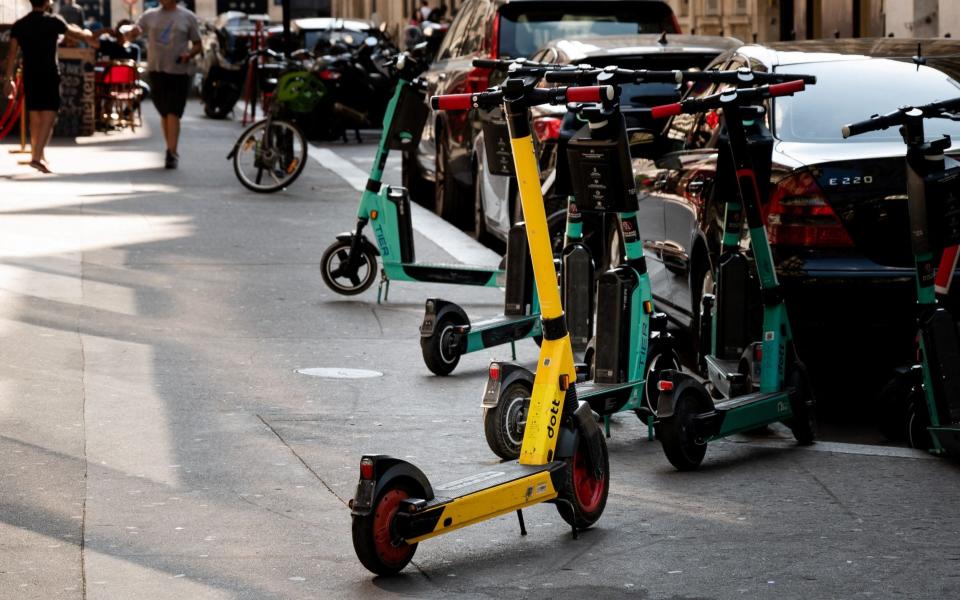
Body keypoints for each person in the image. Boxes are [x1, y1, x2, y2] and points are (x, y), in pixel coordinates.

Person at [2, 0, 98, 173]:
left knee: (35, 115)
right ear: (47, 2)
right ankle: (36, 158)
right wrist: (86, 34)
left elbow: (12, 55)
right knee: (49, 114)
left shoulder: (20, 25)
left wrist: (8, 79)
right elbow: (73, 33)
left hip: (30, 74)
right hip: (49, 73)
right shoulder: (54, 21)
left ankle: (38, 153)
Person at [124, 0, 201, 169]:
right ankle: (170, 149)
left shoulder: (188, 17)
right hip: (156, 70)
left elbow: (198, 44)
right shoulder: (150, 15)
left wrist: (188, 55)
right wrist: (131, 32)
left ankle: (171, 152)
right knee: (165, 112)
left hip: (178, 71)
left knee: (174, 111)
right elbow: (135, 32)